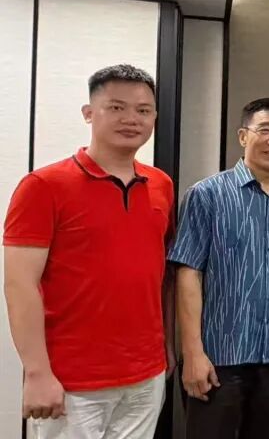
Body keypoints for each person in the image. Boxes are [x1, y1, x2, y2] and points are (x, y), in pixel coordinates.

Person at [4, 65, 174, 438]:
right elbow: (19, 285)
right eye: (116, 107)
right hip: (71, 379)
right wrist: (37, 373)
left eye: (143, 110)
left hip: (146, 374)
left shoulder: (161, 184)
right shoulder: (43, 186)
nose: (131, 119)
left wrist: (167, 349)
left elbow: (159, 274)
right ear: (88, 113)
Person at [170, 98, 269, 439]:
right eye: (265, 130)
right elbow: (188, 273)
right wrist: (192, 352)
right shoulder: (207, 195)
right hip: (220, 354)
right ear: (242, 136)